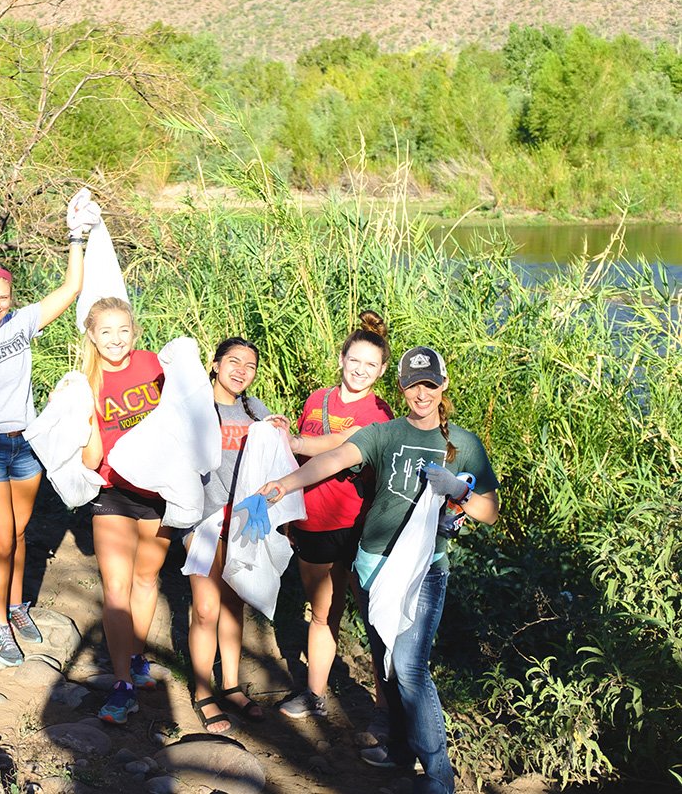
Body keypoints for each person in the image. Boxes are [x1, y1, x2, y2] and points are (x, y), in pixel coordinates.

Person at [261, 346, 500, 794]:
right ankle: (398, 750)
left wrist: (458, 493)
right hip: (373, 563)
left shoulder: (463, 444)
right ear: (402, 388)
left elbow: (490, 511)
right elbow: (332, 460)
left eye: (430, 384)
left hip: (424, 569)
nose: (422, 393)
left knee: (410, 668)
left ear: (443, 386)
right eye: (414, 385)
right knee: (388, 662)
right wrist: (283, 484)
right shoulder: (384, 432)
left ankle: (438, 779)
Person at [0, 239, 85, 667]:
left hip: (25, 443)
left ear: (12, 297)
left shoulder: (22, 322)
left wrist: (77, 238)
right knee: (1, 540)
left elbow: (72, 288)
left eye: (3, 297)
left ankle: (15, 605)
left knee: (19, 534)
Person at [279, 311, 394, 727]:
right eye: (354, 360)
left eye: (370, 365)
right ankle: (314, 693)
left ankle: (385, 709)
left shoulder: (379, 413)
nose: (360, 370)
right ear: (341, 358)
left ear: (381, 371)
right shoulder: (316, 399)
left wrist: (294, 440)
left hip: (357, 526)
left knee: (374, 617)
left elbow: (337, 444)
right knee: (322, 613)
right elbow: (298, 454)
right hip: (313, 521)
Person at [78, 297, 170, 725]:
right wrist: (91, 419)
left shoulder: (154, 365)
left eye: (123, 331)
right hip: (113, 490)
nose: (116, 340)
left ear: (134, 332)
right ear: (93, 337)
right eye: (106, 332)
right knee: (116, 589)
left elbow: (182, 419)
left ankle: (136, 657)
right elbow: (88, 459)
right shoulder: (85, 382)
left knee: (146, 579)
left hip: (158, 489)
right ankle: (121, 685)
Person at [186, 338, 272, 733]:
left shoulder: (256, 411)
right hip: (202, 520)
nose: (241, 370)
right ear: (215, 364)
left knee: (234, 603)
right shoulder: (195, 406)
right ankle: (204, 692)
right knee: (206, 606)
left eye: (250, 365)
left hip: (241, 521)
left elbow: (275, 459)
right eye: (233, 362)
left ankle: (232, 686)